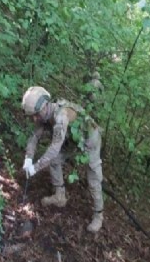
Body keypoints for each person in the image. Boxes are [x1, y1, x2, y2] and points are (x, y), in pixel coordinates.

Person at [21, 86, 104, 233]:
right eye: (32, 116)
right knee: (55, 161)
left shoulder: (60, 117)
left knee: (93, 177)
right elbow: (34, 137)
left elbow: (53, 149)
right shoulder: (44, 115)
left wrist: (35, 167)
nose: (34, 119)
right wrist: (28, 159)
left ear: (45, 106)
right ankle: (60, 196)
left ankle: (99, 215)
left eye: (35, 115)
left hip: (90, 138)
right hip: (72, 139)